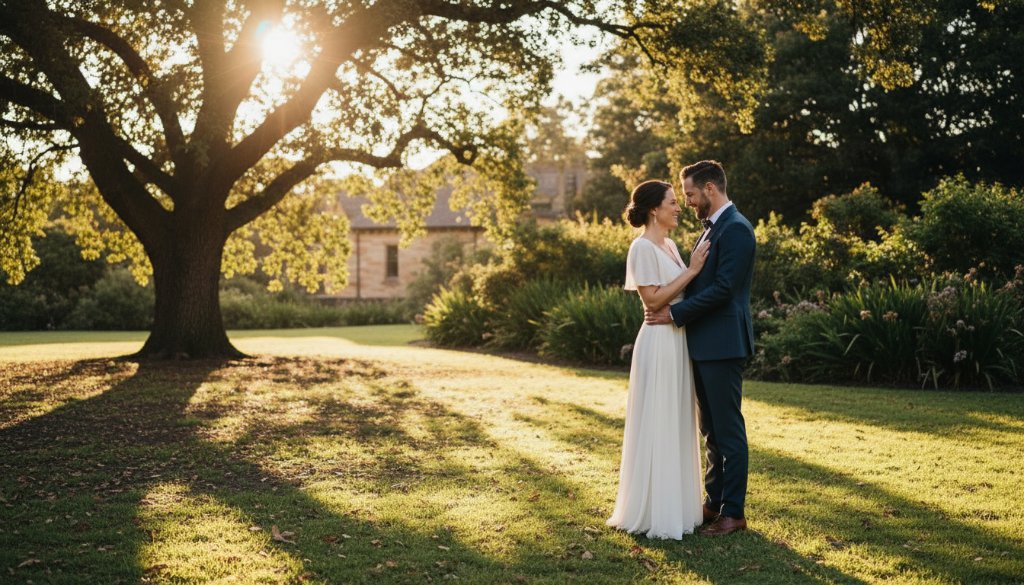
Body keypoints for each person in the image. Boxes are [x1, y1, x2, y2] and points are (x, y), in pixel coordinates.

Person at [645, 160, 756, 537]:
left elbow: (724, 290)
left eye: (690, 194)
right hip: (704, 344)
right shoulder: (712, 228)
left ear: (710, 188)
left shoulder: (737, 229)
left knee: (728, 430)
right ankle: (714, 501)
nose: (688, 202)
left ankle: (734, 512)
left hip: (723, 345)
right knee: (711, 429)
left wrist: (674, 313)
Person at [606, 180, 711, 539]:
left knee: (678, 419)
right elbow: (652, 300)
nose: (678, 207)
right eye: (671, 202)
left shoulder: (669, 245)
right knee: (658, 418)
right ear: (654, 209)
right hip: (658, 341)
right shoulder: (642, 248)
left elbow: (678, 294)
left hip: (677, 339)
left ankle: (679, 506)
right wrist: (694, 270)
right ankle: (653, 510)